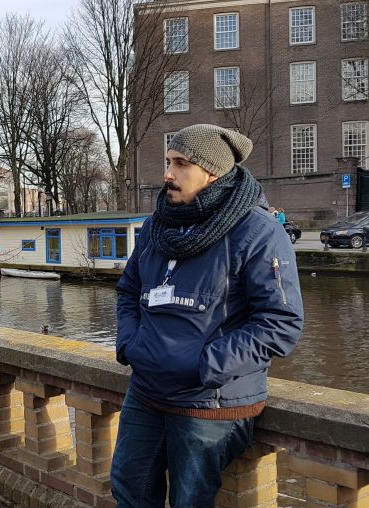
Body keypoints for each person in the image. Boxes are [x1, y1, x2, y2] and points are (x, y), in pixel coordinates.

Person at [111, 124, 304, 507]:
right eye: (169, 162)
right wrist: (130, 344)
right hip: (147, 391)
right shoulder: (156, 226)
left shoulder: (258, 231)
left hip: (208, 403)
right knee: (128, 492)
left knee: (190, 502)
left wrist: (204, 365)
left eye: (181, 163)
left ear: (213, 172)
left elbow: (280, 323)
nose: (168, 174)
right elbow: (129, 291)